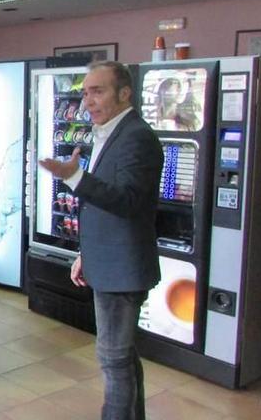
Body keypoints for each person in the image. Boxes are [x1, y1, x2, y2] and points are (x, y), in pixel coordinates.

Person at [38, 61, 163, 419]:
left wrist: (76, 177)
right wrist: (85, 254)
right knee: (122, 356)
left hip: (122, 268)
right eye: (85, 92)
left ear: (124, 93)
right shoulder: (111, 131)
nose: (87, 101)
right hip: (108, 261)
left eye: (98, 91)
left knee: (113, 359)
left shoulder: (136, 136)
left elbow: (126, 201)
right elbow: (104, 208)